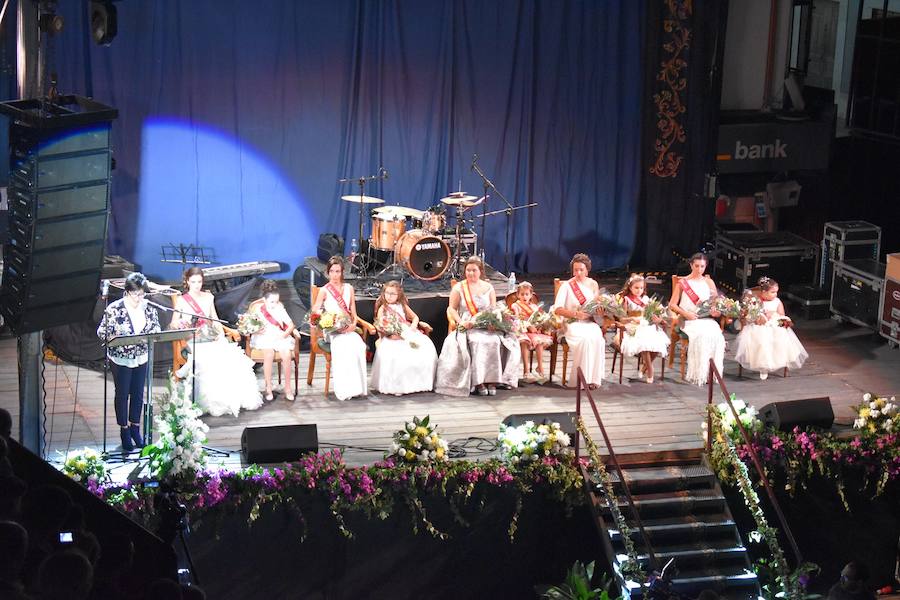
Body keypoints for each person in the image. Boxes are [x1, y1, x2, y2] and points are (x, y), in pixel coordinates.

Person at [169, 267, 263, 416]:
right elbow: (173, 323)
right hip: (193, 338)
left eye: (199, 281)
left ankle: (230, 399)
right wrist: (183, 325)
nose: (197, 285)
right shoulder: (182, 300)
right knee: (208, 359)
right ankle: (206, 401)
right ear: (187, 282)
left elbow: (215, 319)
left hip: (210, 336)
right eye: (193, 282)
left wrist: (221, 334)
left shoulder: (208, 297)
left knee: (230, 356)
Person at [435, 256, 521, 396]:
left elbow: (493, 309)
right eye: (468, 270)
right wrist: (460, 322)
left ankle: (492, 381)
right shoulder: (459, 287)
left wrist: (494, 323)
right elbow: (451, 309)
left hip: (486, 323)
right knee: (477, 341)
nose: (471, 273)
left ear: (480, 271)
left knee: (495, 340)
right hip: (468, 323)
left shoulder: (488, 287)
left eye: (474, 270)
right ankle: (479, 382)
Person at [96, 272, 161, 452]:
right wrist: (118, 338)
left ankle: (135, 428)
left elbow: (156, 328)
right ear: (126, 292)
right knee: (123, 393)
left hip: (141, 356)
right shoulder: (115, 309)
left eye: (142, 294)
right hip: (121, 358)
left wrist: (150, 337)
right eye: (135, 294)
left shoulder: (148, 308)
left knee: (138, 394)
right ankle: (124, 430)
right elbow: (102, 332)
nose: (139, 298)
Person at [310, 256, 368, 400]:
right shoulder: (324, 290)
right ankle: (345, 389)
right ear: (327, 273)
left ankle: (357, 387)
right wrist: (325, 321)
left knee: (358, 345)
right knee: (343, 347)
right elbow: (315, 312)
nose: (335, 275)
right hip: (333, 331)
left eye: (338, 271)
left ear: (342, 272)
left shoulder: (349, 288)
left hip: (348, 328)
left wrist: (354, 324)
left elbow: (354, 313)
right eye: (332, 271)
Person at [370, 281, 438, 396]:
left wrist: (413, 326)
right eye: (387, 293)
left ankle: (420, 383)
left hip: (406, 331)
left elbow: (415, 317)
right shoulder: (383, 308)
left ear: (398, 295)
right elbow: (380, 324)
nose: (389, 296)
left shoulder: (402, 306)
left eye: (393, 294)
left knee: (424, 348)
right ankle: (398, 386)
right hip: (390, 335)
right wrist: (390, 332)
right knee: (398, 354)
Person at [667, 253, 726, 386]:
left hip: (706, 319)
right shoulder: (683, 283)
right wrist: (686, 314)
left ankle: (712, 373)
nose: (699, 269)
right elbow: (672, 304)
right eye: (696, 266)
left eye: (702, 266)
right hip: (688, 320)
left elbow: (715, 303)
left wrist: (716, 311)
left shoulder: (709, 282)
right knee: (701, 336)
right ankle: (698, 373)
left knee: (716, 336)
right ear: (691, 265)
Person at [734, 276, 808, 380]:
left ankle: (775, 362)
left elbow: (782, 316)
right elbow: (749, 315)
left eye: (776, 292)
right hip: (759, 325)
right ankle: (763, 366)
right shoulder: (755, 301)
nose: (775, 294)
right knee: (762, 339)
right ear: (764, 292)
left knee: (779, 337)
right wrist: (759, 316)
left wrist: (774, 314)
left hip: (774, 324)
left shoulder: (777, 301)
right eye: (772, 292)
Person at [552, 253, 606, 389]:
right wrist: (575, 314)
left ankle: (593, 379)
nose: (578, 273)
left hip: (589, 323)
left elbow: (596, 305)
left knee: (597, 338)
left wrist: (601, 310)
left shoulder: (593, 284)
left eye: (581, 269)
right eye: (575, 270)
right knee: (585, 340)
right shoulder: (567, 286)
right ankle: (581, 380)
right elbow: (557, 309)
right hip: (572, 323)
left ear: (587, 270)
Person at [249, 280, 297, 401]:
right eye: (271, 301)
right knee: (269, 354)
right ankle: (268, 387)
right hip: (263, 337)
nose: (274, 304)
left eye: (276, 301)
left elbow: (291, 325)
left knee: (286, 354)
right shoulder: (258, 309)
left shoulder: (280, 308)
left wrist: (285, 334)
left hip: (279, 336)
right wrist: (256, 331)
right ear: (264, 300)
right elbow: (250, 327)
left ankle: (287, 388)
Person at [617, 274, 669, 384]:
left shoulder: (646, 299)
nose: (639, 290)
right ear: (630, 287)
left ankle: (644, 367)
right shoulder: (626, 300)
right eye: (636, 287)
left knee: (659, 343)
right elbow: (622, 319)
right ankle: (650, 370)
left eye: (641, 288)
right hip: (632, 327)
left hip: (646, 325)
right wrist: (632, 318)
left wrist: (657, 317)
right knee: (644, 341)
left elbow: (651, 314)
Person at [510, 281, 552, 384]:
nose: (524, 296)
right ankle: (526, 370)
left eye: (527, 294)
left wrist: (539, 326)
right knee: (524, 342)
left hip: (534, 333)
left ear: (531, 295)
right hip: (522, 331)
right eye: (522, 294)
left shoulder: (534, 307)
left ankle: (540, 368)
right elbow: (516, 319)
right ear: (518, 295)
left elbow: (539, 319)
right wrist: (528, 326)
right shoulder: (516, 306)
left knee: (539, 342)